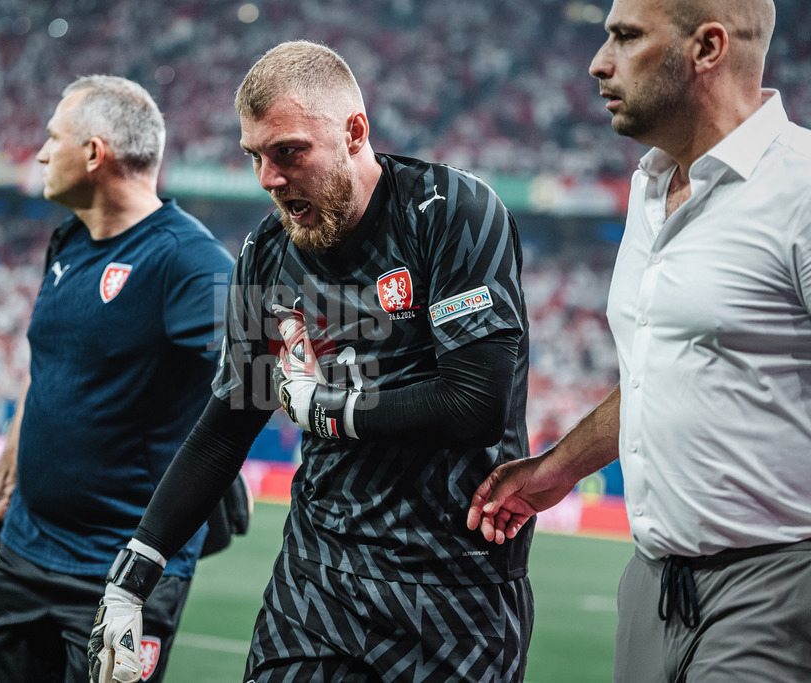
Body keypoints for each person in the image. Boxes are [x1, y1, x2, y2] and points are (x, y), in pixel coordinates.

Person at [87, 40, 534, 683]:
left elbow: (474, 403)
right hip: (317, 584)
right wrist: (134, 572)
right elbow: (226, 427)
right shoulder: (267, 253)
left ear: (355, 133)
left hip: (455, 591)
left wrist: (326, 410)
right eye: (255, 157)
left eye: (289, 152)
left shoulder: (450, 212)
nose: (269, 177)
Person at [467, 0, 811, 679]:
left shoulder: (799, 189)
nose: (598, 63)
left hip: (774, 584)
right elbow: (666, 374)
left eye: (625, 37)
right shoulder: (651, 187)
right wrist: (555, 470)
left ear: (707, 48)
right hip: (649, 585)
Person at [0, 75, 234, 683]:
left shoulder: (190, 261)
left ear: (95, 154)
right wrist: (2, 487)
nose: (42, 153)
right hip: (22, 553)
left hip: (124, 577)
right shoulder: (67, 243)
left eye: (52, 138)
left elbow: (258, 379)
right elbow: (45, 376)